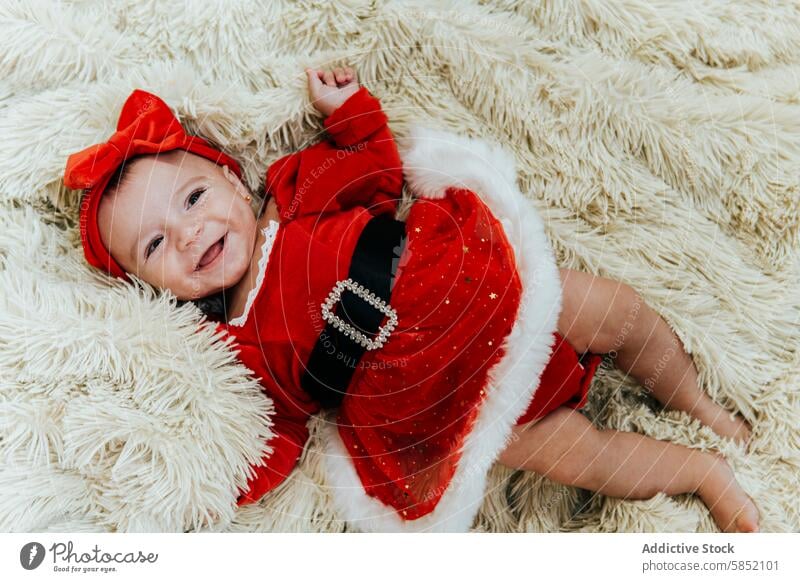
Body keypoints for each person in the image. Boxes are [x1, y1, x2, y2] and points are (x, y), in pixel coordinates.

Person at [63, 66, 758, 533]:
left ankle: (695, 402)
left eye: (193, 199)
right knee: (586, 456)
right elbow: (271, 427)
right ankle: (702, 473)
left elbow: (374, 168)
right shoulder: (236, 347)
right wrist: (228, 488)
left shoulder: (297, 202)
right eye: (154, 248)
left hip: (486, 293)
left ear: (234, 183)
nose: (188, 234)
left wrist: (348, 112)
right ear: (151, 292)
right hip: (454, 411)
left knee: (619, 312)